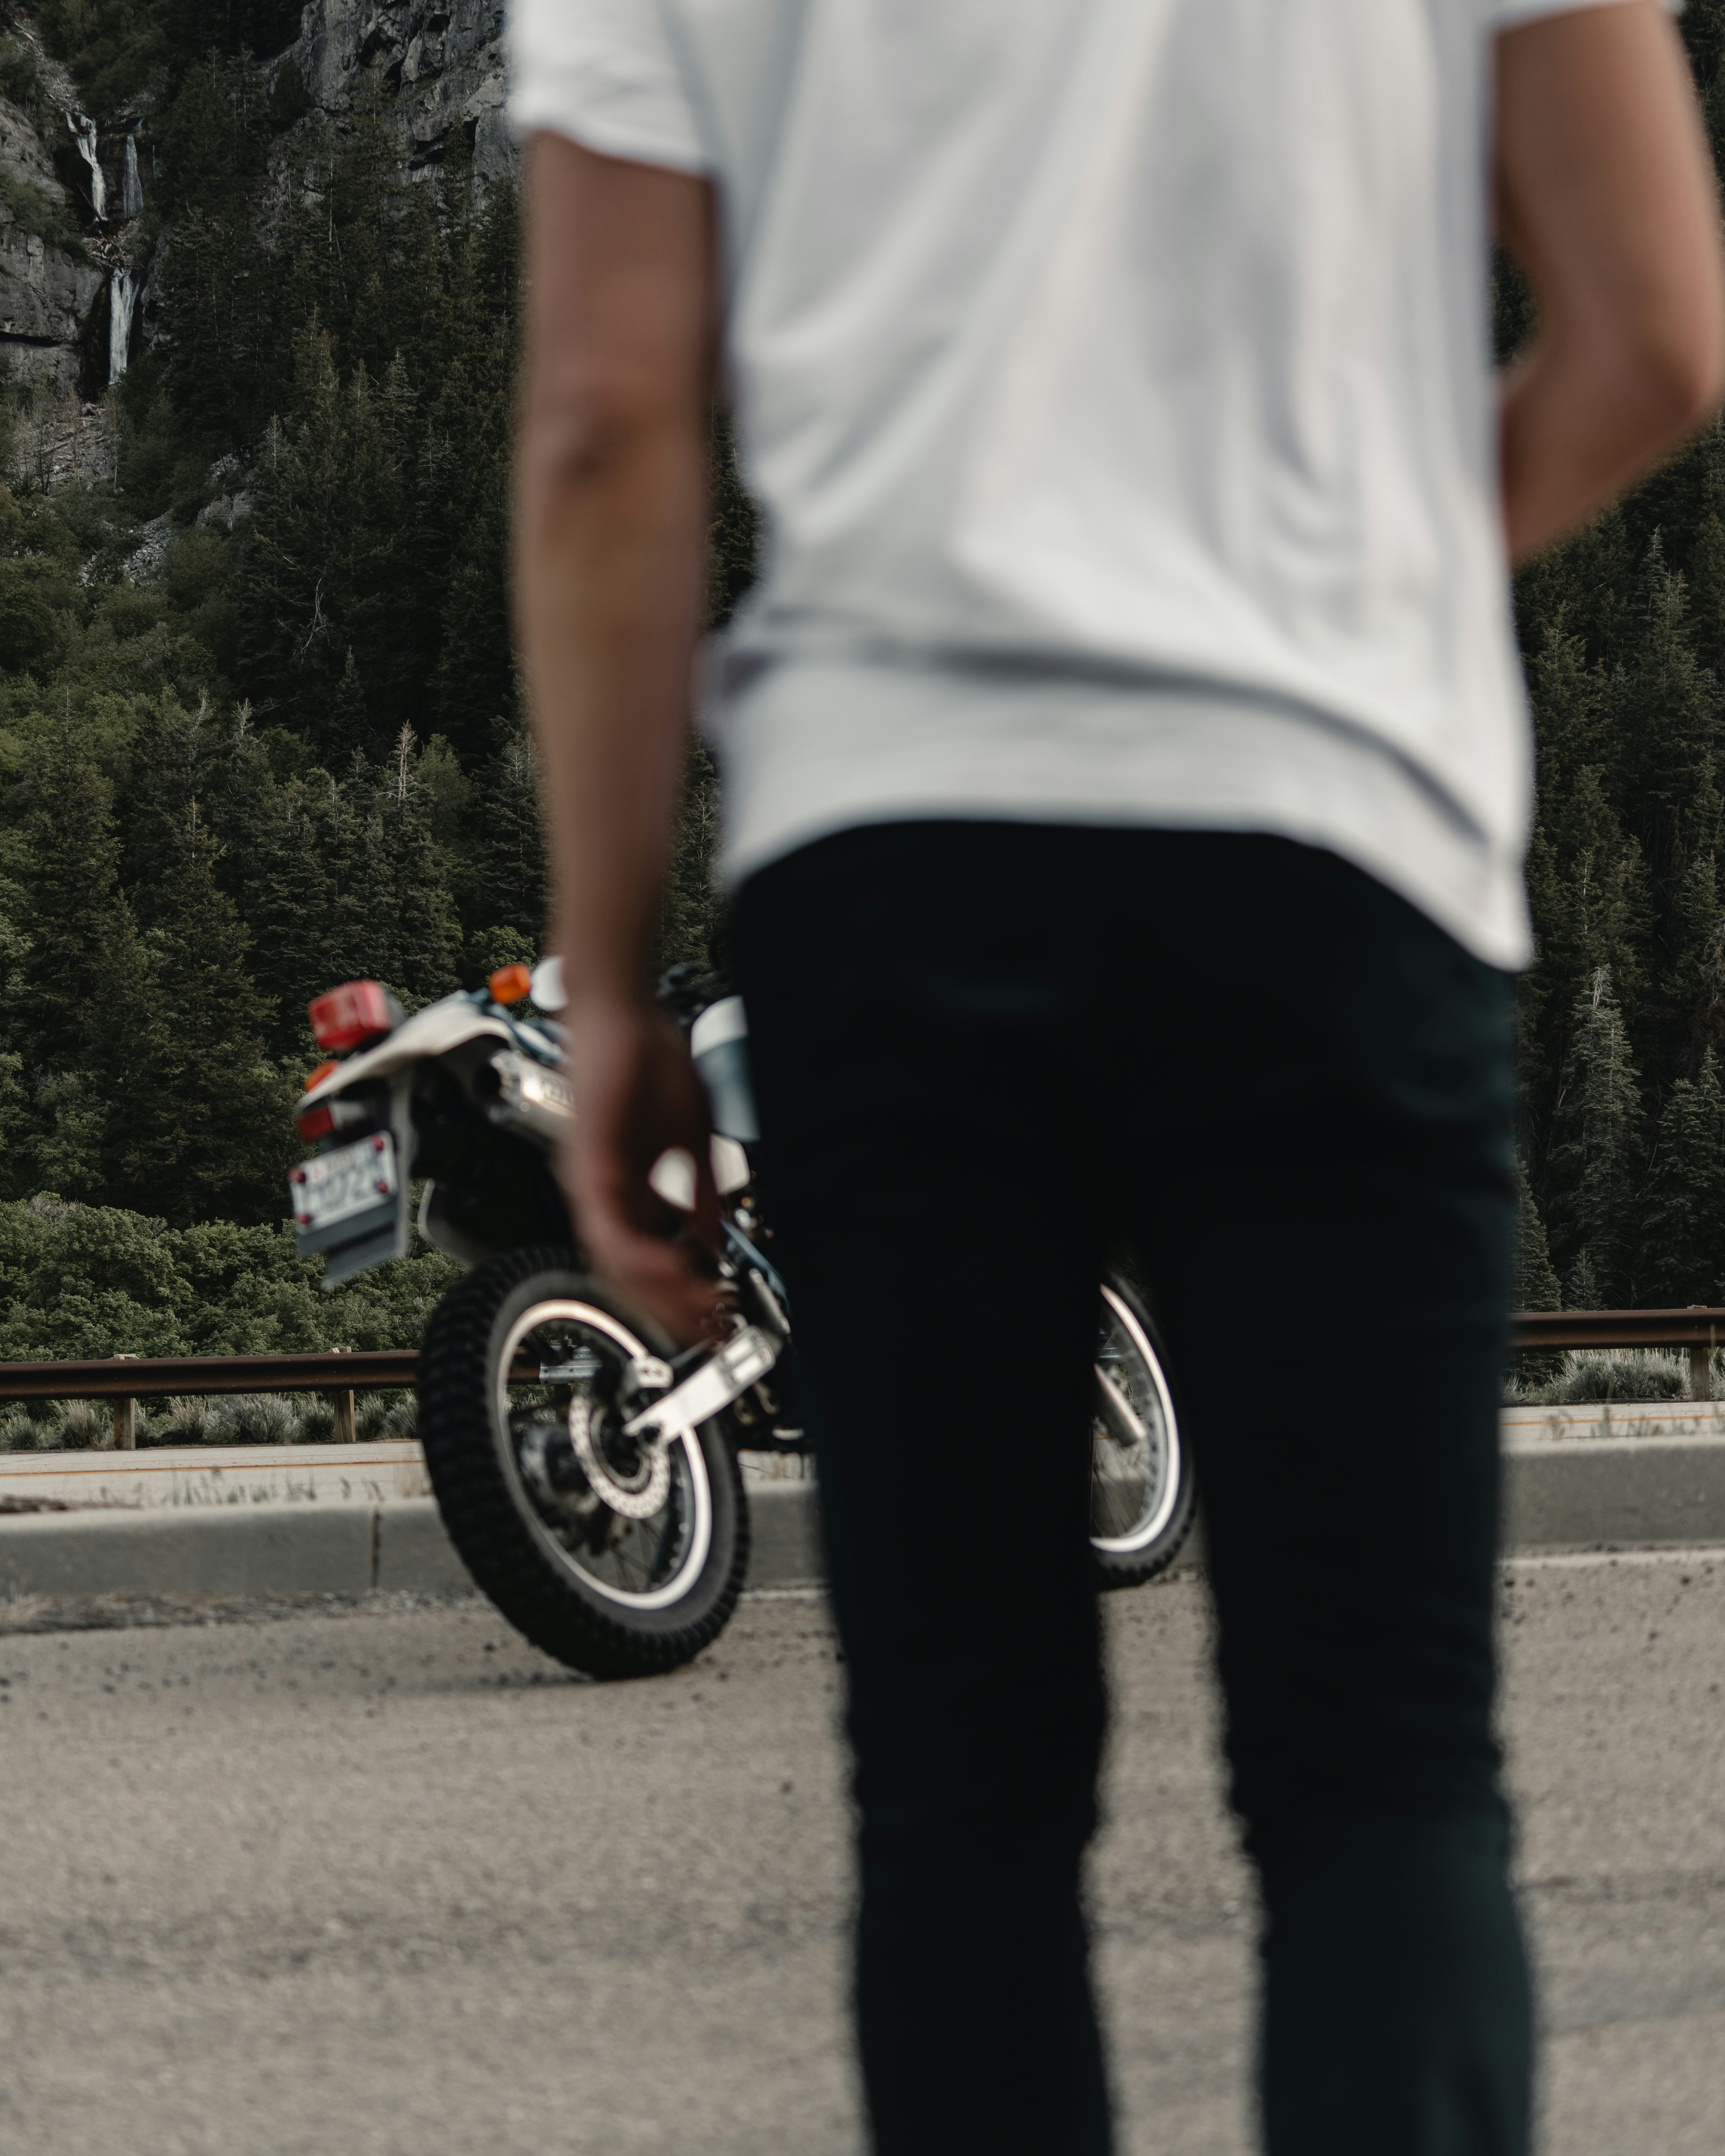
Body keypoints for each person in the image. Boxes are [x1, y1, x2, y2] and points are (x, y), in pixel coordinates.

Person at [508, 1, 1725, 2147]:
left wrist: (609, 978)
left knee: (962, 1795)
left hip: (892, 869)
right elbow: (1655, 336)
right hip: (1335, 851)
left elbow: (609, 422)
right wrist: (1345, 598)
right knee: (1381, 1773)